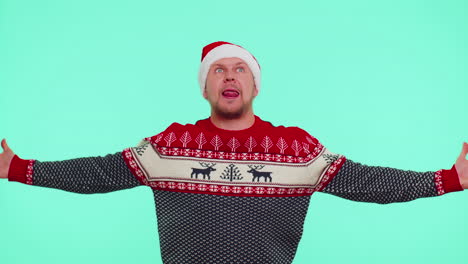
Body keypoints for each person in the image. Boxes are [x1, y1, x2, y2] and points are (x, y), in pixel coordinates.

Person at [1, 41, 467, 264]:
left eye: (239, 68)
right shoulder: (169, 145)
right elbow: (99, 173)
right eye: (218, 70)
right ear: (205, 87)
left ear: (253, 84)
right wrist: (18, 168)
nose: (229, 76)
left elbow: (367, 183)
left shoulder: (298, 150)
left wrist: (450, 179)